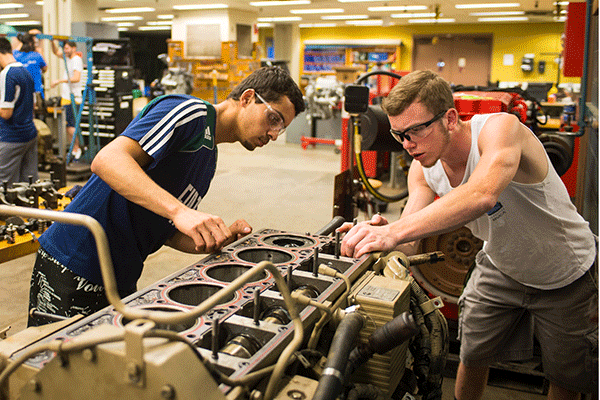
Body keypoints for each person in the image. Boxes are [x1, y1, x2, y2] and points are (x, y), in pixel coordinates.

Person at [338, 70, 597, 400]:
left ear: (449, 118)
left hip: (566, 272)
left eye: (417, 130)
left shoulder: (500, 130)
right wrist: (372, 234)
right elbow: (408, 238)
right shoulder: (422, 168)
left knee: (565, 376)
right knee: (472, 356)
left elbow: (482, 195)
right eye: (399, 133)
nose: (407, 144)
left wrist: (395, 230)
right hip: (501, 265)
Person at [28, 66, 306, 326]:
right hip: (74, 260)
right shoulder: (190, 113)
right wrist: (180, 211)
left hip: (120, 276)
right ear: (247, 98)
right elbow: (108, 159)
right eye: (273, 119)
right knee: (53, 369)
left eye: (281, 128)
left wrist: (209, 238)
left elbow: (165, 231)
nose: (273, 134)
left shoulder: (207, 161)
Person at [0, 37, 38, 185]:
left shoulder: (6, 74)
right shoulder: (26, 71)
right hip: (29, 135)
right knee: (28, 185)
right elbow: (33, 105)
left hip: (11, 138)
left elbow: (6, 113)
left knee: (3, 186)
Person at [50, 39, 83, 159]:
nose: (65, 51)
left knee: (70, 125)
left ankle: (77, 148)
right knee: (68, 125)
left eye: (67, 48)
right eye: (64, 48)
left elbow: (76, 78)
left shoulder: (76, 60)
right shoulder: (68, 58)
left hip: (73, 97)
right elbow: (55, 52)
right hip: (66, 97)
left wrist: (59, 81)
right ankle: (74, 148)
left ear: (74, 48)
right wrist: (52, 42)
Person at [13, 32, 47, 99]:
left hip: (20, 92)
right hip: (36, 92)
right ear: (31, 43)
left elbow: (16, 49)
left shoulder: (15, 55)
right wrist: (40, 51)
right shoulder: (37, 55)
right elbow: (45, 69)